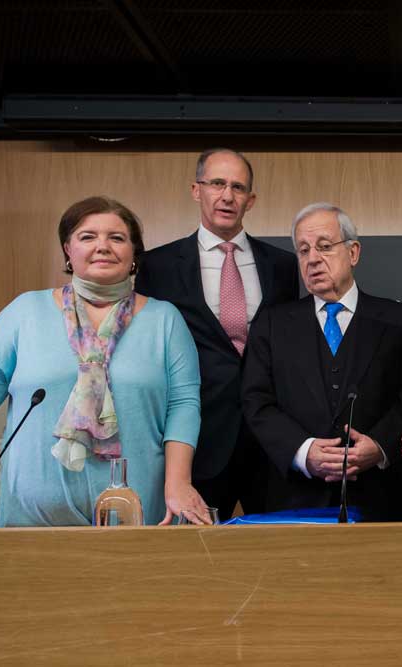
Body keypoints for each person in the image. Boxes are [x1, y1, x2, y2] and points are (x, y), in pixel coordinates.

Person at [0, 196, 210, 525]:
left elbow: (183, 405)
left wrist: (178, 481)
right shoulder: (25, 313)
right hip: (33, 517)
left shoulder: (164, 320)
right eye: (87, 236)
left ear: (133, 253)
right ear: (68, 249)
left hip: (135, 512)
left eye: (117, 237)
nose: (103, 246)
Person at [135, 149, 298, 522]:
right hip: (198, 444)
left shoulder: (284, 265)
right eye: (217, 184)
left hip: (269, 444)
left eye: (238, 187)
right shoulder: (157, 267)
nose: (227, 196)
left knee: (281, 556)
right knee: (195, 565)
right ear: (196, 190)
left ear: (251, 200)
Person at [242, 203, 402, 521]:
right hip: (293, 501)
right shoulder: (272, 324)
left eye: (324, 247)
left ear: (354, 252)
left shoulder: (399, 321)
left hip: (378, 498)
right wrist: (303, 452)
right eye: (303, 250)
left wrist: (379, 445)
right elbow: (256, 401)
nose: (313, 259)